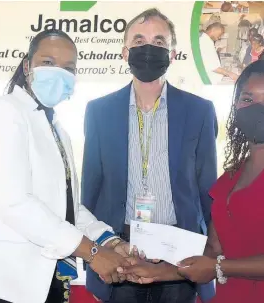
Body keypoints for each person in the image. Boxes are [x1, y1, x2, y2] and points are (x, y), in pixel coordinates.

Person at [119, 44, 264, 303]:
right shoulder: (230, 178)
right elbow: (212, 252)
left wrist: (221, 268)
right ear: (236, 105)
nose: (258, 107)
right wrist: (158, 272)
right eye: (247, 99)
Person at [82, 8, 217, 303]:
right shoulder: (99, 111)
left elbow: (209, 190)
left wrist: (212, 256)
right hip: (120, 250)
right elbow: (90, 190)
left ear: (172, 54)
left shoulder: (199, 111)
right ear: (124, 52)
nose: (148, 48)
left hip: (178, 253)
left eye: (159, 42)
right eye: (140, 40)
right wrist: (93, 257)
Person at [0, 29, 131, 303]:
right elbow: (14, 203)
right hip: (7, 283)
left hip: (46, 279)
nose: (58, 73)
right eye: (48, 63)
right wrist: (92, 253)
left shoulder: (57, 129)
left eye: (69, 68)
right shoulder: (3, 112)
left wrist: (108, 241)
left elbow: (68, 209)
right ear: (27, 66)